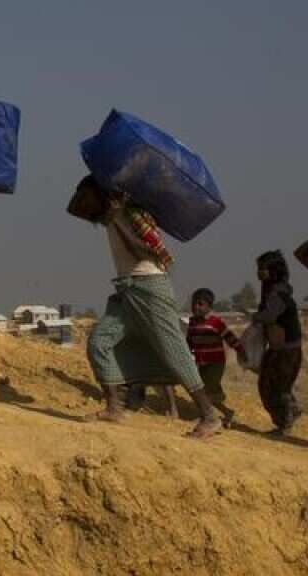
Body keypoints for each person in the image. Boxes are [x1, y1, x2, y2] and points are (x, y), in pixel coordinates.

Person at [67, 175, 222, 439]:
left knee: (174, 351)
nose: (84, 202)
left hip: (150, 287)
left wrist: (120, 214)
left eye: (87, 195)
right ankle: (114, 408)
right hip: (128, 289)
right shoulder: (111, 215)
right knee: (100, 342)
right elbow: (74, 209)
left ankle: (209, 415)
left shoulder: (132, 213)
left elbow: (152, 252)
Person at [252, 251, 302, 436]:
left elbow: (269, 316)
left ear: (273, 270)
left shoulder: (278, 294)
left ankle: (285, 423)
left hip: (286, 351)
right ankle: (289, 414)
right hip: (279, 349)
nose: (259, 273)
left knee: (277, 388)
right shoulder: (275, 291)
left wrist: (255, 317)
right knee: (272, 385)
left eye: (263, 269)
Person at [185, 288, 241, 426]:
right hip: (201, 363)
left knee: (206, 391)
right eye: (194, 303)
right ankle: (227, 413)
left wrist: (241, 350)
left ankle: (206, 417)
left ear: (209, 307)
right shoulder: (192, 323)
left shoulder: (215, 322)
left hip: (215, 363)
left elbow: (229, 337)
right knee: (201, 390)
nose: (195, 307)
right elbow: (189, 341)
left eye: (200, 304)